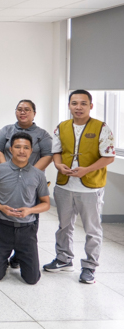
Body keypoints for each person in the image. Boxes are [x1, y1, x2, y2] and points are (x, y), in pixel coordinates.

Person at [43, 90, 115, 285]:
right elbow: (56, 151)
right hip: (65, 185)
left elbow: (109, 157)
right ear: (69, 105)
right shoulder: (62, 127)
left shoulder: (102, 127)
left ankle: (90, 266)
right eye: (74, 103)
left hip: (90, 188)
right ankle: (64, 259)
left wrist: (87, 170)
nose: (78, 107)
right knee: (64, 226)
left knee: (92, 229)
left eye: (83, 103)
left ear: (91, 106)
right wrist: (58, 165)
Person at [0, 132, 50, 285]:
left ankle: (17, 256)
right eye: (17, 147)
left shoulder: (38, 175)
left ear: (31, 151)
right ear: (10, 149)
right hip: (2, 227)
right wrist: (0, 207)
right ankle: (3, 258)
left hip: (27, 229)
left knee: (32, 279)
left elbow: (46, 203)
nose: (22, 151)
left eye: (26, 147)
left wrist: (29, 210)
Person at [0, 99, 53, 170]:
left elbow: (48, 155)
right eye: (19, 109)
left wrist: (32, 173)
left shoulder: (43, 134)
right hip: (7, 175)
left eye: (27, 110)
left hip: (32, 177)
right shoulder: (6, 130)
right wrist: (6, 169)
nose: (22, 112)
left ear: (34, 113)